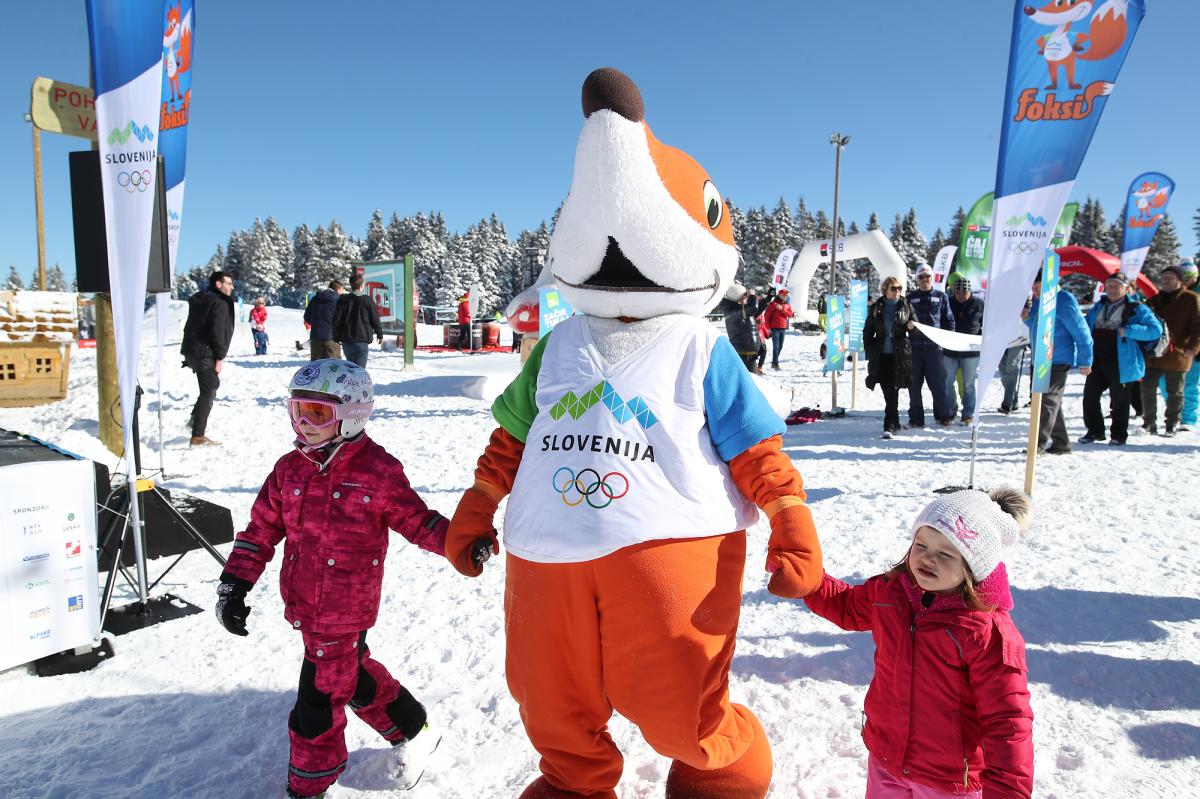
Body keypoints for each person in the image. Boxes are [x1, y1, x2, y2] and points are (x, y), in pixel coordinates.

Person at [214, 359, 450, 799]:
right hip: (305, 603)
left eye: (317, 414)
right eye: (297, 411)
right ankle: (413, 726)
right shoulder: (289, 469)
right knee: (349, 673)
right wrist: (236, 583)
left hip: (346, 608)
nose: (304, 424)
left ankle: (309, 787)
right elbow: (260, 529)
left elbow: (418, 521)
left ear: (352, 415)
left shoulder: (377, 471)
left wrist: (462, 542)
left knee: (318, 704)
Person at [802, 488, 1034, 798]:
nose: (927, 558)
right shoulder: (891, 592)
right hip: (886, 758)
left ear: (972, 566)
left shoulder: (984, 632)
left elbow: (1007, 721)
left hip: (948, 779)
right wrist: (807, 580)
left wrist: (1007, 791)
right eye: (921, 545)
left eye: (946, 554)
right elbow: (846, 605)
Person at [1080, 274, 1164, 446]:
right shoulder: (1099, 305)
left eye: (1116, 285)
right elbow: (1085, 326)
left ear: (1126, 288)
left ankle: (1118, 435)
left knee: (1120, 401)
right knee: (1090, 397)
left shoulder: (1137, 308)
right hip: (1098, 359)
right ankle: (1095, 431)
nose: (1111, 289)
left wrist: (1130, 330)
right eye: (1109, 285)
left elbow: (1155, 330)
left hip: (1122, 361)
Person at [1023, 270, 1092, 454]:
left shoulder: (1063, 300)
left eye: (1038, 287)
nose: (1035, 291)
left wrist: (1085, 360)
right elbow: (1038, 325)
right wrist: (1027, 318)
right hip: (1039, 359)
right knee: (1050, 402)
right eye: (1033, 288)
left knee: (1046, 401)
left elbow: (1081, 331)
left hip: (1058, 359)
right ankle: (1062, 443)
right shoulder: (1037, 301)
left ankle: (1037, 444)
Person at [1140, 262, 1200, 436]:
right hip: (1154, 354)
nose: (1165, 281)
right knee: (1147, 388)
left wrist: (1193, 347)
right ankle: (1149, 423)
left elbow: (1198, 325)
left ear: (1180, 280)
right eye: (1163, 278)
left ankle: (1173, 423)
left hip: (1179, 353)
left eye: (1170, 278)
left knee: (1176, 391)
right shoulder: (1153, 300)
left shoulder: (1191, 299)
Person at [180, 270, 235, 447]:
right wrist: (220, 357)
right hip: (205, 352)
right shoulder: (219, 303)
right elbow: (217, 332)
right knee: (210, 389)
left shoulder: (202, 299)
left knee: (209, 387)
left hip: (192, 350)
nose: (231, 287)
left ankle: (195, 419)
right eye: (228, 283)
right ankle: (197, 435)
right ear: (218, 284)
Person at [863, 276, 915, 437]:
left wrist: (911, 326)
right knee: (887, 390)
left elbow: (915, 324)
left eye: (899, 288)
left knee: (893, 389)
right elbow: (868, 330)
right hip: (881, 355)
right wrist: (870, 349)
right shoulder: (877, 307)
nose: (897, 291)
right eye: (893, 288)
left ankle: (890, 424)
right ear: (885, 290)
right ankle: (894, 421)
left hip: (899, 355)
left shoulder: (906, 305)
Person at [906, 262, 955, 427]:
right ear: (917, 279)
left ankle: (943, 416)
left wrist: (947, 341)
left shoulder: (941, 296)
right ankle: (916, 419)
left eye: (927, 276)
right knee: (914, 386)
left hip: (934, 349)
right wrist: (906, 326)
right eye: (921, 277)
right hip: (915, 349)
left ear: (931, 278)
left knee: (938, 385)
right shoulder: (910, 298)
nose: (924, 279)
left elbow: (949, 320)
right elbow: (902, 320)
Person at [944, 276, 984, 425]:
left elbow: (985, 324)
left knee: (968, 384)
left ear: (970, 291)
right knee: (947, 381)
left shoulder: (979, 304)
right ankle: (950, 410)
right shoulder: (948, 302)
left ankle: (968, 413)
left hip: (970, 352)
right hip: (950, 350)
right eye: (958, 292)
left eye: (964, 292)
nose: (960, 295)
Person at [1168, 259, 1200, 430]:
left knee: (1190, 383)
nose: (1187, 280)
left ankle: (1188, 418)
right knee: (1169, 383)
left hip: (1195, 346)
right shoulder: (1172, 293)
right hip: (1175, 346)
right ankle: (1175, 413)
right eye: (1183, 277)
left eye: (1190, 277)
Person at [333, 274, 384, 368]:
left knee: (351, 369)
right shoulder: (367, 300)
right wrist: (379, 334)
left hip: (346, 341)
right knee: (360, 370)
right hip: (361, 340)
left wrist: (336, 337)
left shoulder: (342, 300)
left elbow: (336, 320)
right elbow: (375, 319)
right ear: (361, 286)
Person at [716, 282, 769, 373]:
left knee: (750, 378)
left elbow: (756, 311)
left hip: (748, 351)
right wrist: (752, 296)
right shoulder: (733, 311)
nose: (747, 298)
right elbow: (752, 308)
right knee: (750, 378)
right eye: (745, 296)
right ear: (738, 298)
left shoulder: (738, 310)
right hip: (744, 352)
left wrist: (768, 298)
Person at [303, 280, 344, 361]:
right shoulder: (339, 300)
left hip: (315, 337)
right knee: (333, 366)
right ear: (338, 289)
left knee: (317, 366)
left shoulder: (315, 299)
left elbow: (307, 317)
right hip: (332, 338)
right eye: (342, 290)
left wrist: (316, 324)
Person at [764, 287, 794, 369]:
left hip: (783, 328)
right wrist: (768, 327)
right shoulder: (773, 304)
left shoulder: (786, 305)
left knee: (780, 347)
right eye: (783, 295)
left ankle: (774, 362)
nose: (785, 296)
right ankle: (775, 364)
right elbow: (766, 315)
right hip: (774, 328)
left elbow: (791, 314)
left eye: (786, 295)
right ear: (779, 295)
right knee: (776, 346)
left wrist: (782, 309)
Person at [997, 340, 1028, 414]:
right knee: (1003, 373)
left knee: (1011, 369)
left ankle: (1007, 404)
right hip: (1000, 339)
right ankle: (1014, 401)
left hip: (1017, 340)